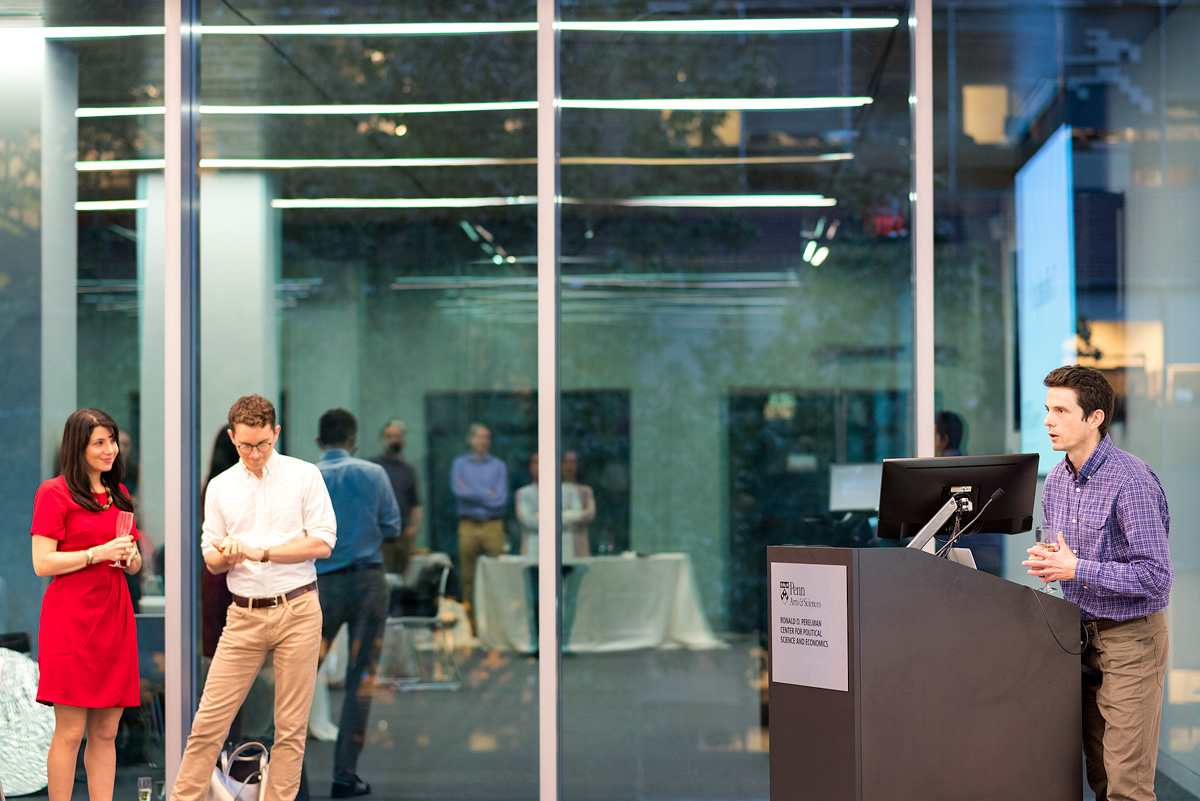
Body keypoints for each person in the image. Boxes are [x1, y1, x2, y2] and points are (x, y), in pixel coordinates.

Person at [170, 394, 336, 801]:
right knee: (209, 723)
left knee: (291, 728)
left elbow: (323, 543)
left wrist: (260, 552)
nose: (255, 453)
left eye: (262, 443)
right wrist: (224, 555)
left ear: (275, 433)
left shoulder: (304, 475)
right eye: (245, 445)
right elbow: (210, 558)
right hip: (243, 615)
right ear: (232, 437)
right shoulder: (221, 486)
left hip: (297, 607)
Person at [1022, 365, 1172, 801]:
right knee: (1101, 777)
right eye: (1048, 410)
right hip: (1080, 641)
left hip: (1131, 642)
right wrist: (1053, 563)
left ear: (1094, 418)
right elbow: (1067, 558)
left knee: (1127, 785)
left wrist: (1077, 569)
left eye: (1061, 411)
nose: (1048, 420)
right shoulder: (1056, 481)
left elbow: (1156, 578)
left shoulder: (1131, 480)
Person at [30, 408, 143, 801]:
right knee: (71, 731)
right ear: (78, 446)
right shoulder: (53, 492)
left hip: (115, 617)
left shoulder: (120, 493)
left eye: (112, 440)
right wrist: (97, 553)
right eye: (100, 442)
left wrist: (129, 558)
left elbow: (133, 560)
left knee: (107, 731)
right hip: (71, 619)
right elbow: (42, 562)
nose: (110, 449)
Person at [314, 409, 401, 798]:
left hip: (321, 586)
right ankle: (344, 775)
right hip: (368, 581)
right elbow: (393, 528)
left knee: (298, 679)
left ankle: (287, 777)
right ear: (353, 439)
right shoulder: (373, 473)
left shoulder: (306, 477)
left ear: (320, 442)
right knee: (360, 681)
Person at [451, 422, 507, 619]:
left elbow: (500, 498)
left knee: (497, 574)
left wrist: (472, 492)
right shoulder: (460, 464)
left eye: (487, 437)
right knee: (468, 577)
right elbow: (459, 492)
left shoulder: (498, 466)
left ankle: (497, 622)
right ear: (470, 439)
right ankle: (472, 624)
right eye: (480, 436)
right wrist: (486, 493)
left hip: (493, 525)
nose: (484, 441)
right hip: (468, 525)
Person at [368, 418, 423, 578]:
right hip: (380, 536)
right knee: (383, 577)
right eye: (390, 436)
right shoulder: (373, 468)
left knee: (402, 578)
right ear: (382, 440)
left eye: (398, 436)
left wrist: (414, 526)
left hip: (402, 535)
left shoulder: (408, 470)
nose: (395, 440)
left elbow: (415, 502)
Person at [560, 450, 595, 559]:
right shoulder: (553, 490)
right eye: (567, 462)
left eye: (573, 462)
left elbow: (589, 514)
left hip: (579, 547)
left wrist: (564, 515)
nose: (570, 467)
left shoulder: (585, 490)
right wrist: (578, 516)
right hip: (558, 547)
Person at [516, 452, 539, 556]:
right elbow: (526, 520)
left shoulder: (562, 491)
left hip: (560, 551)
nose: (540, 466)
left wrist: (537, 515)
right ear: (530, 466)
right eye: (536, 462)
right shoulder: (523, 493)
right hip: (531, 551)